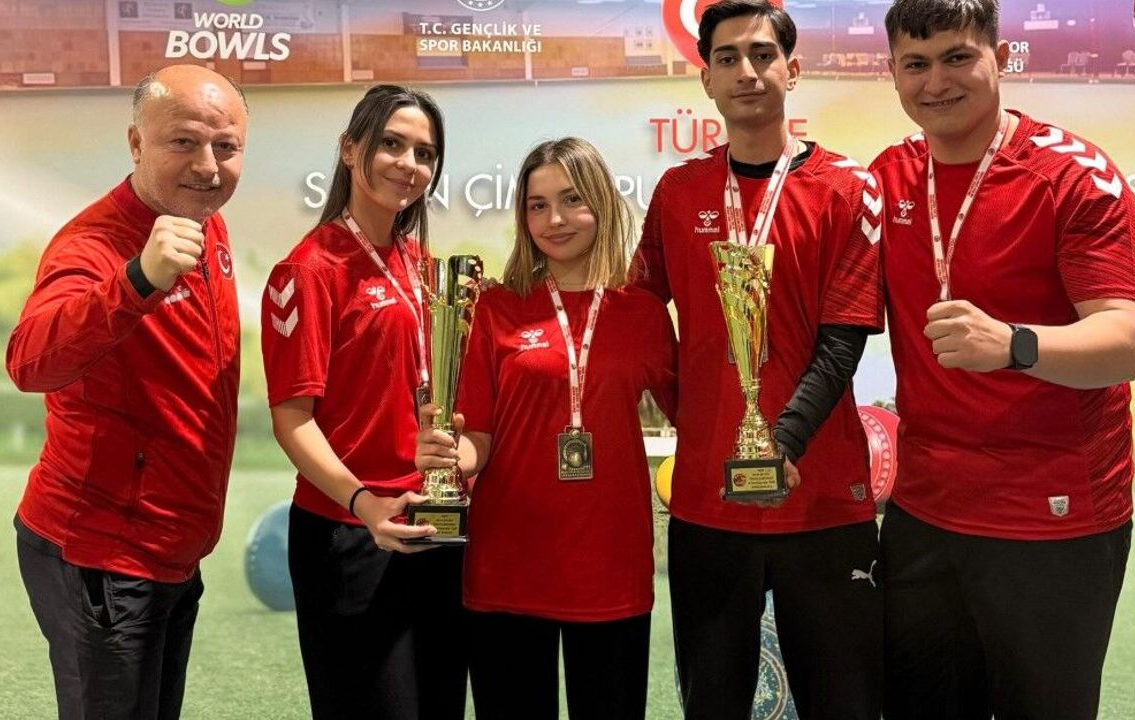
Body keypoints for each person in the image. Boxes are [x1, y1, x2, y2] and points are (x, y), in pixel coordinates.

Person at [870, 1, 1135, 718]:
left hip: (1052, 515)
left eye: (958, 58)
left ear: (1000, 57)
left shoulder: (1073, 177)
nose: (937, 82)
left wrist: (1015, 344)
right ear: (893, 73)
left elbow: (1126, 342)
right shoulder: (888, 177)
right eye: (916, 64)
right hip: (925, 512)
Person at [631, 1, 885, 717]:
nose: (747, 70)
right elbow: (639, 319)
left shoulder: (848, 188)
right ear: (706, 79)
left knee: (846, 705)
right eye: (728, 57)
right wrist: (694, 415)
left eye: (763, 54)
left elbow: (843, 341)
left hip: (824, 501)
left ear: (792, 70)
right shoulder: (677, 193)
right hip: (708, 506)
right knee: (712, 704)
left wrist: (782, 441)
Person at [6, 65, 248, 720]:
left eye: (226, 147)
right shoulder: (93, 246)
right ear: (136, 143)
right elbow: (28, 362)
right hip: (104, 554)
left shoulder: (206, 223)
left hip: (172, 550)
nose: (208, 166)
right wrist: (137, 279)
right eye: (184, 142)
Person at [415, 137, 677, 720]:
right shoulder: (495, 308)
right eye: (538, 205)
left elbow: (694, 411)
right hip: (509, 562)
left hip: (610, 563)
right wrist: (447, 458)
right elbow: (478, 436)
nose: (554, 219)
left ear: (601, 203)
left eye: (571, 200)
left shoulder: (643, 313)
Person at [260, 84, 466, 720]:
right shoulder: (308, 269)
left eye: (424, 153)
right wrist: (365, 503)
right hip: (351, 533)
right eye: (391, 144)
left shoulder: (421, 264)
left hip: (431, 526)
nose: (409, 164)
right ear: (350, 150)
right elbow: (292, 420)